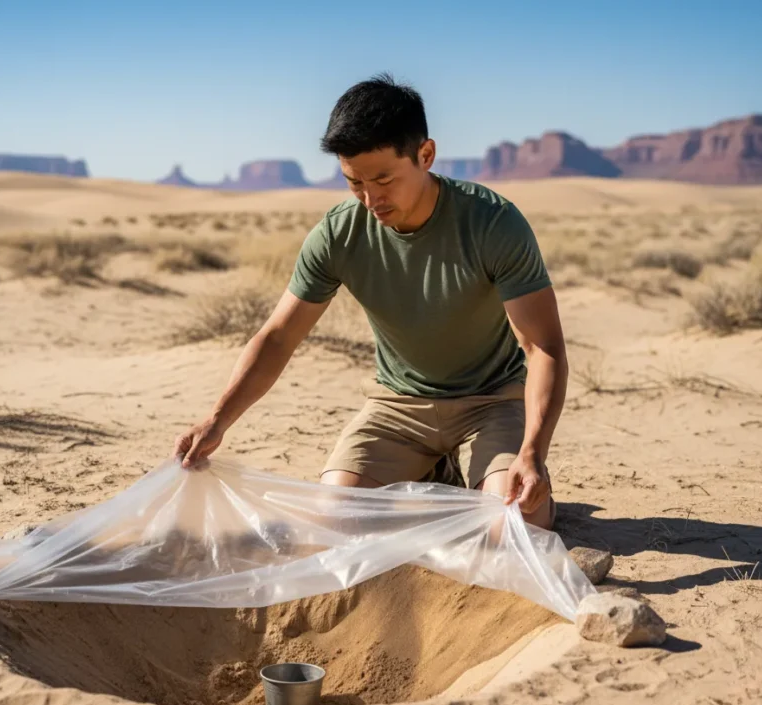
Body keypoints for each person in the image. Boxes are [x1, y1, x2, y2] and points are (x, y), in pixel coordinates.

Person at [173, 73, 567, 530]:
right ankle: (437, 473)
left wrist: (532, 454)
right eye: (353, 182)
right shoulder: (339, 232)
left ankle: (499, 487)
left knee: (515, 525)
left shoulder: (493, 223)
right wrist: (217, 420)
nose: (370, 199)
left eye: (383, 179)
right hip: (398, 404)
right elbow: (279, 336)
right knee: (334, 520)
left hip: (492, 400)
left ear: (425, 155)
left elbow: (543, 348)